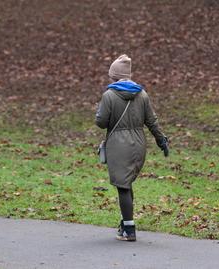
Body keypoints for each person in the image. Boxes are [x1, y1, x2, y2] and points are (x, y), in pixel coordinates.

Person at [95, 54, 168, 241]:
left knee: (122, 186)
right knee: (126, 184)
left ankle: (129, 229)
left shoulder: (109, 95)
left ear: (115, 76)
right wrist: (161, 141)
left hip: (119, 145)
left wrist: (100, 113)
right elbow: (152, 121)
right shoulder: (142, 94)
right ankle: (124, 224)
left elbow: (101, 123)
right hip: (138, 143)